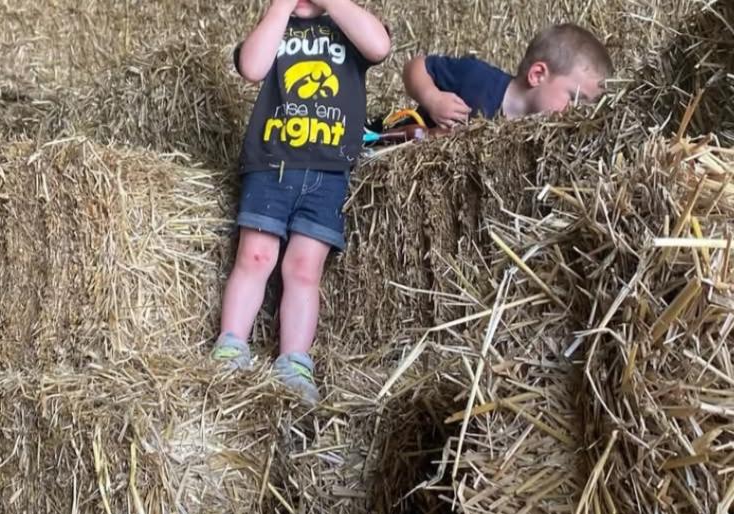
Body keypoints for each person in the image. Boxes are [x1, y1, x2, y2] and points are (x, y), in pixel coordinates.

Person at [211, 0, 390, 405]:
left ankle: (295, 360)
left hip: (328, 170)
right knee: (254, 256)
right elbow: (251, 68)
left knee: (305, 268)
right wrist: (280, 8)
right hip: (271, 164)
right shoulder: (278, 26)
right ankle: (231, 344)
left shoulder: (347, 26)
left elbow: (379, 46)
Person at [403, 23, 613, 130]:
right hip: (392, 146)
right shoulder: (475, 77)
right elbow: (416, 66)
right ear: (537, 75)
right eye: (574, 98)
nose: (577, 114)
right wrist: (433, 98)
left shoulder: (536, 145)